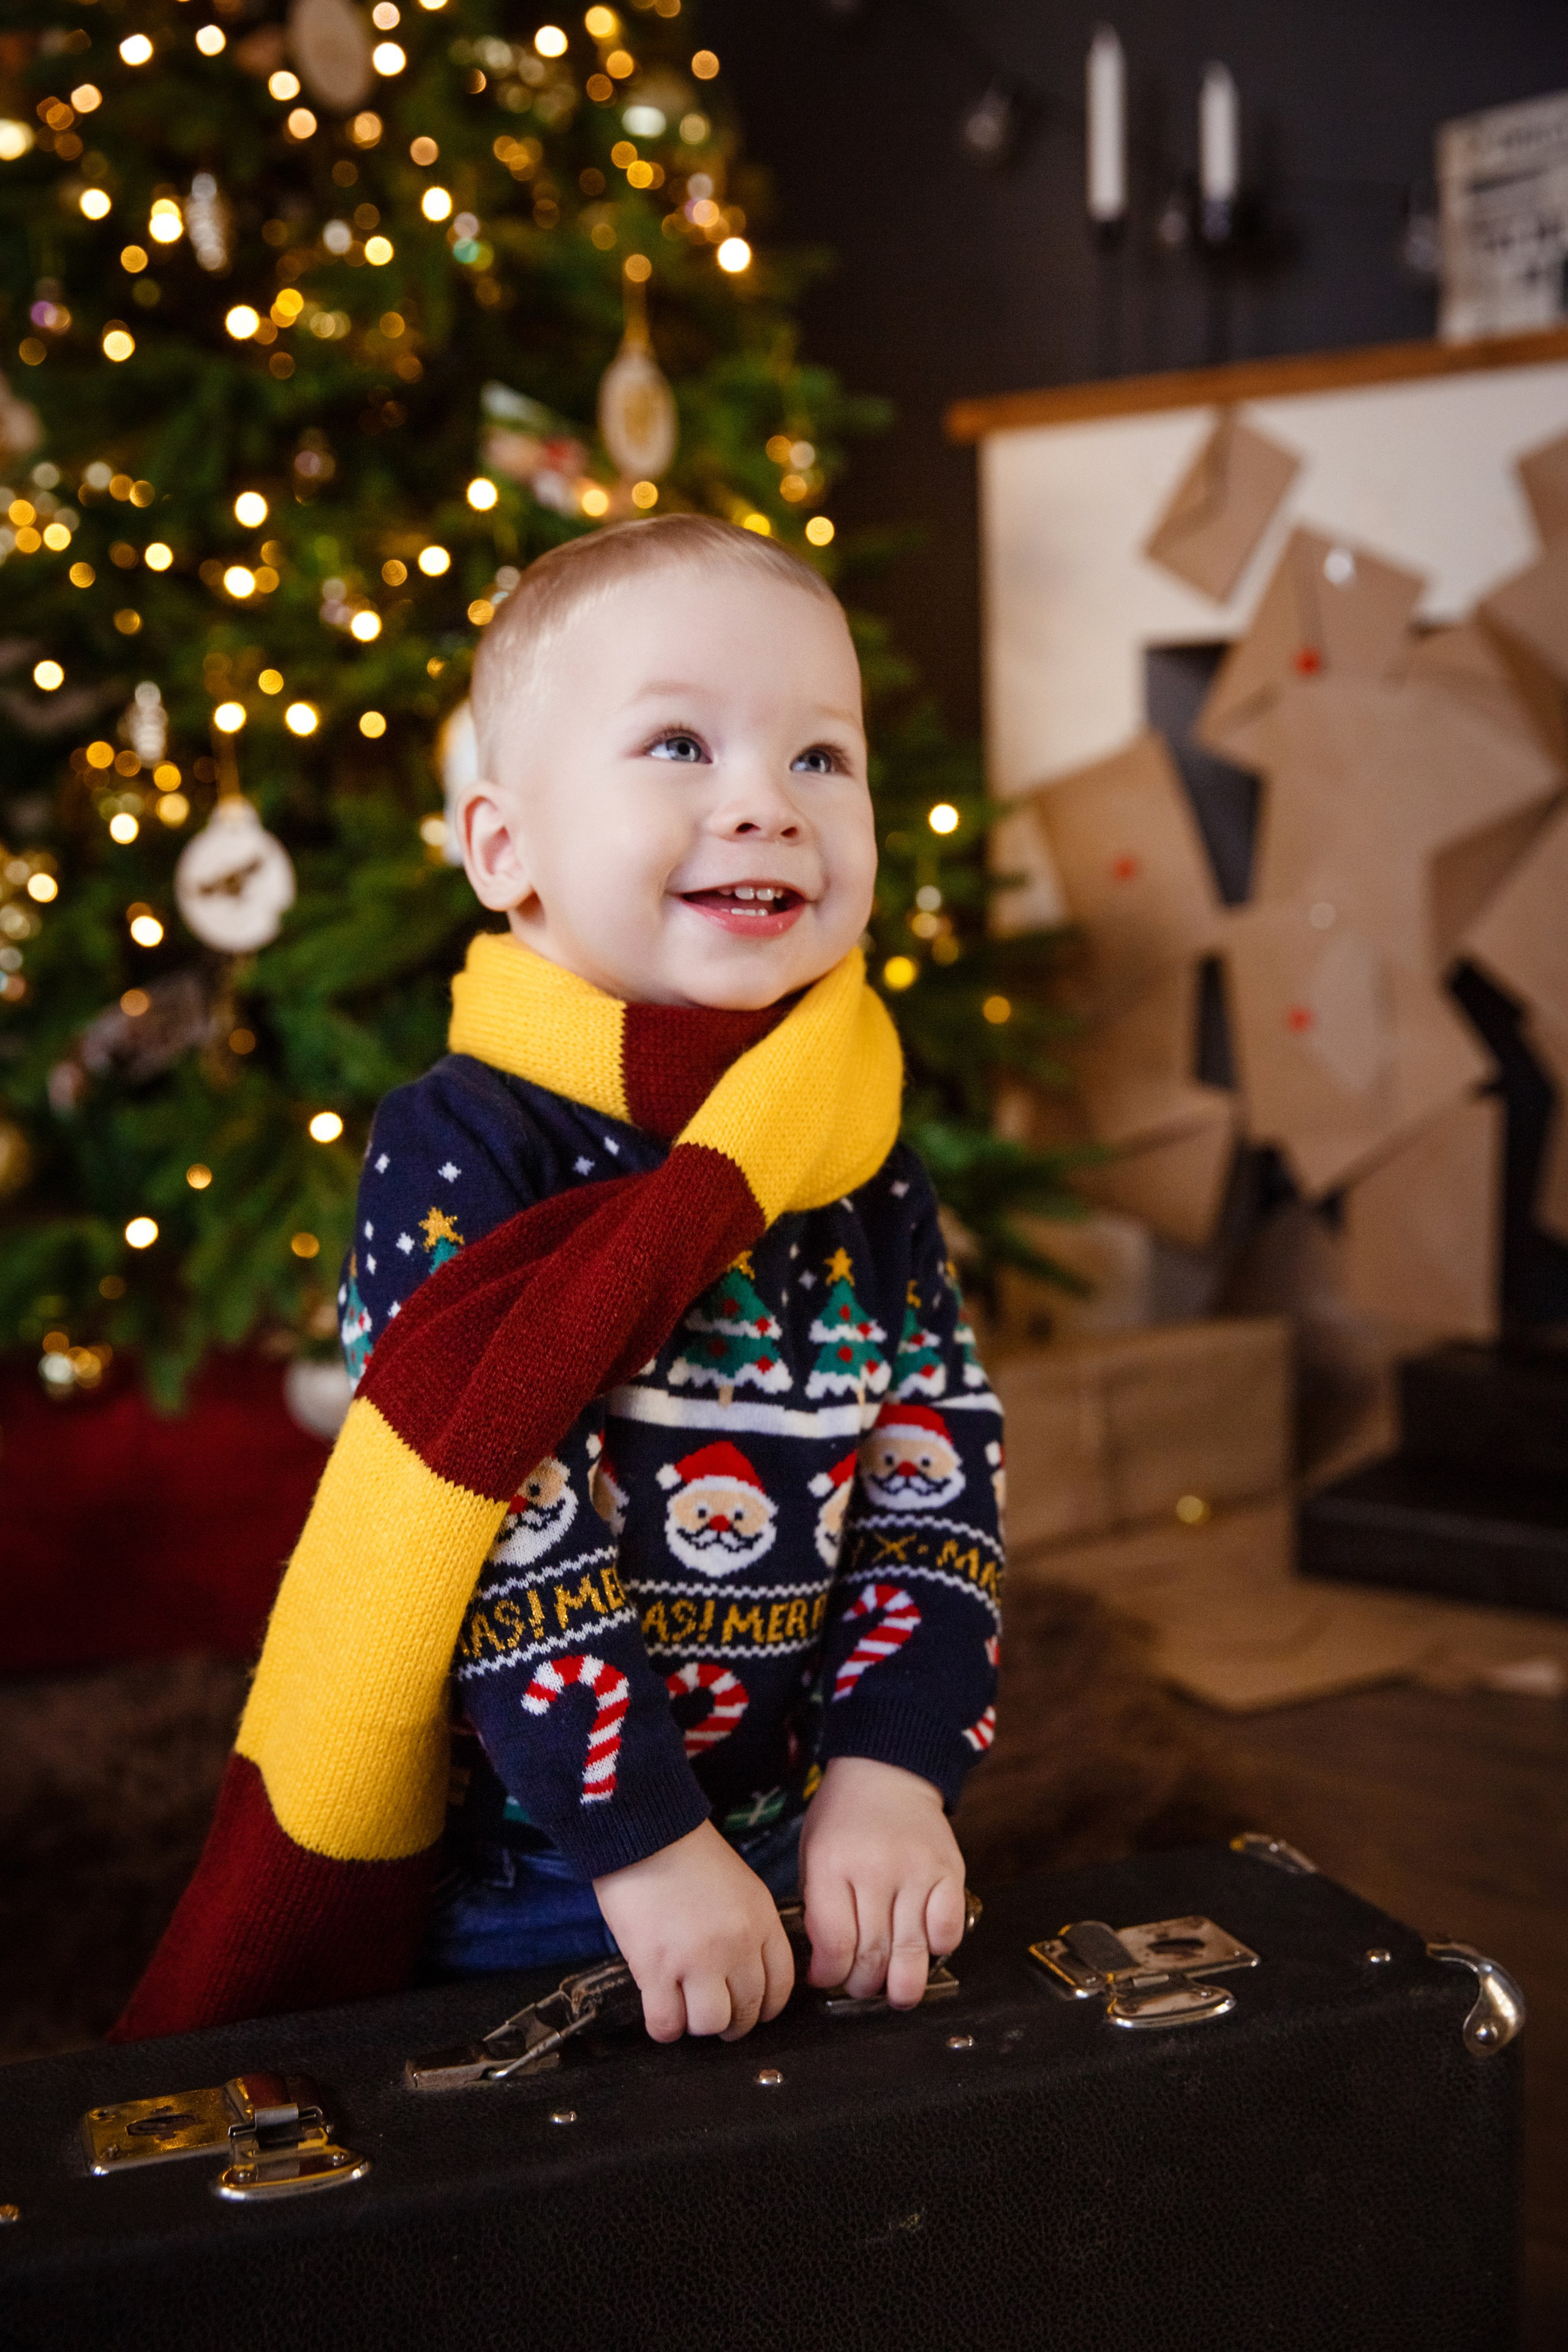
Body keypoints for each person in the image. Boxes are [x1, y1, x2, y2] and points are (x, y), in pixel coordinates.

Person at [113, 516, 1003, 2047]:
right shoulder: (462, 1145)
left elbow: (935, 1470)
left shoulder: (854, 1149)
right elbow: (501, 1517)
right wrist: (646, 1848)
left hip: (800, 1816)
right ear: (503, 850)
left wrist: (892, 1772)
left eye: (819, 759)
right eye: (678, 743)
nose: (765, 808)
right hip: (541, 1867)